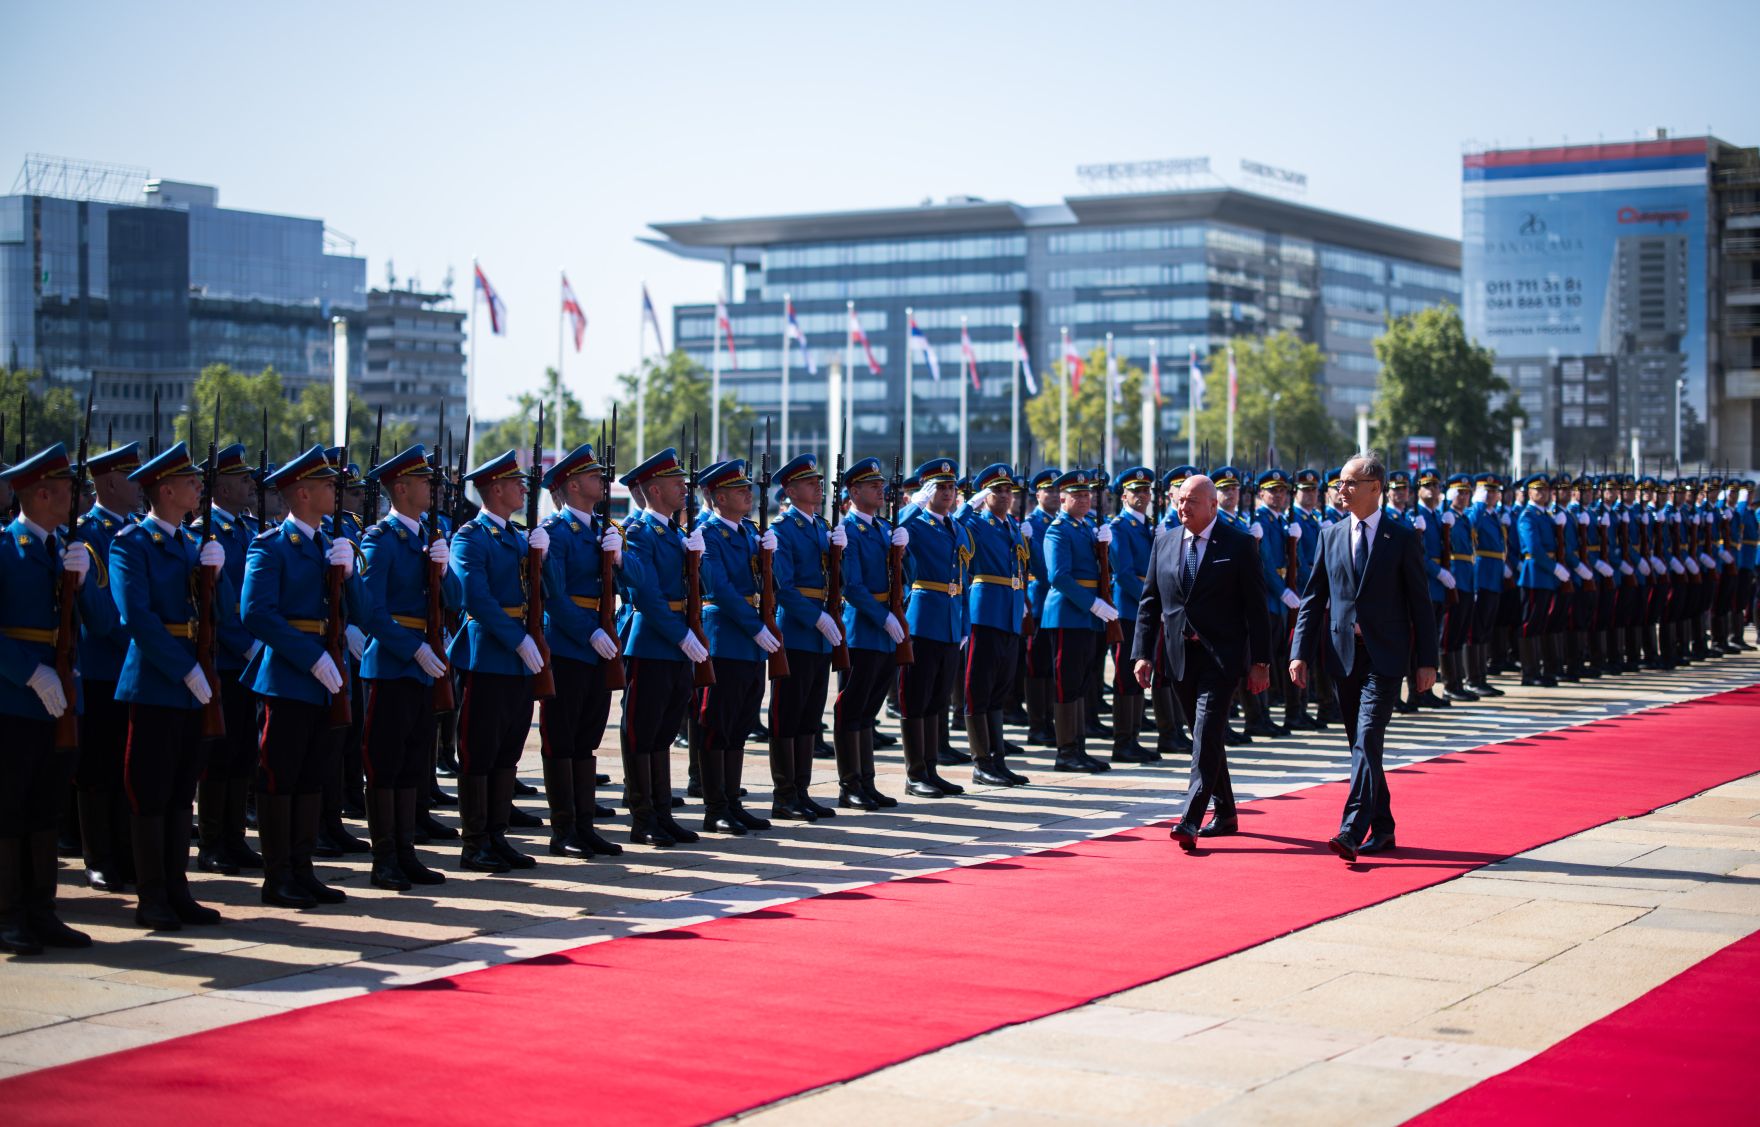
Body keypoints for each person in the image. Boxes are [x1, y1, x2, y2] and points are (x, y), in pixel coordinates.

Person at [110, 442, 235, 929]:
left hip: (194, 680)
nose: (197, 487)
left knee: (184, 790)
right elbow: (136, 618)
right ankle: (152, 895)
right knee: (151, 790)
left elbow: (222, 612)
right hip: (157, 681)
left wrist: (217, 573)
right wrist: (183, 669)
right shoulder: (132, 544)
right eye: (189, 481)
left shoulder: (190, 544)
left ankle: (178, 888)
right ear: (164, 490)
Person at [1289, 453, 1437, 863]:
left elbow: (1420, 604)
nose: (1342, 490)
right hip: (1343, 655)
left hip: (1385, 655)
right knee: (1361, 745)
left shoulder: (1401, 536)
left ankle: (1352, 829)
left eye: (1351, 483)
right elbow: (1313, 598)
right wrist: (1298, 652)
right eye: (1340, 483)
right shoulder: (1331, 535)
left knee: (1368, 737)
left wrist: (1428, 660)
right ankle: (1384, 827)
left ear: (1375, 488)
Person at [0, 444, 113, 953]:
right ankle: (7, 914)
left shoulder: (74, 550)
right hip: (16, 700)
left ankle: (42, 910)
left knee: (46, 807)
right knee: (9, 808)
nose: (75, 498)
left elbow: (105, 622)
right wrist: (29, 673)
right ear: (41, 493)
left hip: (65, 694)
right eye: (68, 490)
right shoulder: (6, 548)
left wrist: (85, 584)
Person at [242, 444, 364, 908]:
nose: (337, 490)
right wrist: (310, 656)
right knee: (281, 776)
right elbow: (256, 613)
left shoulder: (334, 546)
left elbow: (364, 611)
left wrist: (350, 575)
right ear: (301, 493)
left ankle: (303, 867)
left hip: (329, 675)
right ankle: (278, 877)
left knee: (315, 775)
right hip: (290, 676)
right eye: (327, 485)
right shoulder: (270, 545)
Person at [1132, 473, 1269, 852]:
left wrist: (1261, 661)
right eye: (1179, 500)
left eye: (1192, 501)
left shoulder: (1239, 544)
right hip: (1179, 655)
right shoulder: (1166, 540)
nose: (1182, 507)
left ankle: (1191, 817)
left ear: (1213, 505)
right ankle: (1225, 811)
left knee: (1207, 732)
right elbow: (1150, 602)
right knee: (1204, 736)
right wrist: (1142, 653)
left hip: (1221, 656)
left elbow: (1256, 609)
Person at [355, 444, 458, 889]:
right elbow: (369, 610)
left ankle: (406, 851)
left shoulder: (426, 537)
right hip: (394, 663)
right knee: (386, 762)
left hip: (424, 662)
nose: (433, 488)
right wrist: (410, 648)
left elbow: (455, 602)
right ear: (401, 488)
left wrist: (445, 569)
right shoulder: (379, 538)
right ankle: (385, 859)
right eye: (424, 481)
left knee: (416, 760)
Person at [447, 449, 549, 873]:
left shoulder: (517, 536)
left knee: (508, 751)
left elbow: (547, 591)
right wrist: (515, 638)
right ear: (495, 489)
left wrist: (541, 554)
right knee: (480, 750)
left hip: (519, 654)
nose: (524, 488)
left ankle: (498, 834)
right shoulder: (471, 537)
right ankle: (475, 842)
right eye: (515, 482)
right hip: (488, 652)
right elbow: (475, 597)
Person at [535, 443, 630, 859]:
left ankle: (585, 824)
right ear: (573, 485)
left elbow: (628, 588)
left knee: (588, 736)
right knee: (562, 736)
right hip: (571, 645)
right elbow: (554, 597)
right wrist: (589, 633)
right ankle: (564, 830)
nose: (602, 482)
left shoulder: (601, 531)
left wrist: (621, 558)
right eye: (594, 477)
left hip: (598, 642)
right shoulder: (556, 533)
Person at [616, 448, 706, 847]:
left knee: (665, 733)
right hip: (653, 641)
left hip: (676, 643)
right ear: (654, 489)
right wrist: (680, 634)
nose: (684, 489)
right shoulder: (639, 533)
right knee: (642, 731)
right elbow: (646, 594)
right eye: (676, 483)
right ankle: (643, 817)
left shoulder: (676, 533)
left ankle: (663, 813)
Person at [189, 442, 266, 876]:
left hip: (249, 660)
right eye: (240, 479)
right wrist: (246, 644)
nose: (249, 485)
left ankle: (235, 839)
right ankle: (213, 841)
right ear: (218, 486)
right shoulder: (207, 533)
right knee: (218, 755)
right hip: (223, 659)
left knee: (242, 753)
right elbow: (217, 602)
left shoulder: (242, 530)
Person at [71, 441, 142, 894]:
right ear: (110, 482)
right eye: (132, 477)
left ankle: (125, 851)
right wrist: (141, 637)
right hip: (101, 668)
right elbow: (101, 615)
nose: (140, 487)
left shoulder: (132, 530)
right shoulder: (87, 535)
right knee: (98, 768)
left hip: (132, 668)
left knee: (127, 766)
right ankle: (98, 857)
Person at [693, 459, 777, 834]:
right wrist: (755, 626)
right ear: (718, 497)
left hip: (749, 640)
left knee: (741, 722)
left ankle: (732, 800)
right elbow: (719, 588)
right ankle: (715, 807)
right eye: (739, 489)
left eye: (748, 487)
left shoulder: (748, 533)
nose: (748, 494)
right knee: (718, 723)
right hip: (726, 637)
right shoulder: (707, 534)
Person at [767, 454, 845, 816]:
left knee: (811, 714)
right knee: (789, 713)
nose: (818, 485)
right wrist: (816, 618)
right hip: (798, 631)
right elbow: (783, 586)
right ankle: (784, 794)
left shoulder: (820, 527)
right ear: (790, 490)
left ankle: (802, 789)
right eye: (809, 481)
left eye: (818, 480)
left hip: (818, 632)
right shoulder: (782, 529)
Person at [830, 458, 906, 810]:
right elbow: (854, 587)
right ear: (854, 491)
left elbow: (908, 576)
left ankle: (867, 782)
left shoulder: (882, 528)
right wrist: (883, 617)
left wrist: (903, 550)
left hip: (885, 626)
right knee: (853, 707)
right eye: (872, 486)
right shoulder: (850, 530)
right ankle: (850, 785)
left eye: (881, 485)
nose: (881, 490)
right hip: (864, 627)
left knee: (869, 708)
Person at [955, 462, 1031, 786]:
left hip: (1010, 613)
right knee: (979, 688)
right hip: (985, 612)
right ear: (985, 495)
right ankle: (980, 761)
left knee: (1000, 689)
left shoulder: (1011, 525)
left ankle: (997, 759)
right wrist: (965, 507)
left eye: (1007, 490)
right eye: (997, 490)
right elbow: (953, 530)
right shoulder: (975, 522)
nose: (1004, 495)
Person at [1041, 467, 1115, 774]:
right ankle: (1066, 751)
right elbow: (1058, 576)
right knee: (1067, 684)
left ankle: (1079, 748)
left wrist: (1107, 546)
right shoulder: (1058, 530)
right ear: (1063, 499)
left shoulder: (1087, 528)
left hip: (1088, 617)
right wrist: (1093, 603)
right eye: (1078, 495)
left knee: (1084, 682)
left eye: (1087, 495)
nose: (1085, 500)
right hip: (1069, 614)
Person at [1106, 466, 1156, 764]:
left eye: (1145, 491)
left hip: (1144, 610)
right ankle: (1122, 741)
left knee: (1141, 671)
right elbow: (1124, 574)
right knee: (1126, 675)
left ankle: (1134, 738)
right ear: (1124, 495)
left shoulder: (1148, 526)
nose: (1142, 496)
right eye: (1136, 491)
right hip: (1128, 609)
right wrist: (1152, 602)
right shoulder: (1119, 527)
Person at [1021, 468, 1060, 747]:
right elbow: (1039, 563)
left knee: (1049, 667)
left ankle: (1048, 720)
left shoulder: (1056, 521)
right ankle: (1037, 724)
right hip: (1038, 600)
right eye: (1049, 490)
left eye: (1059, 490)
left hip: (1051, 602)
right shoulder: (1032, 523)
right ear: (1038, 494)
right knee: (1037, 668)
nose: (1056, 495)